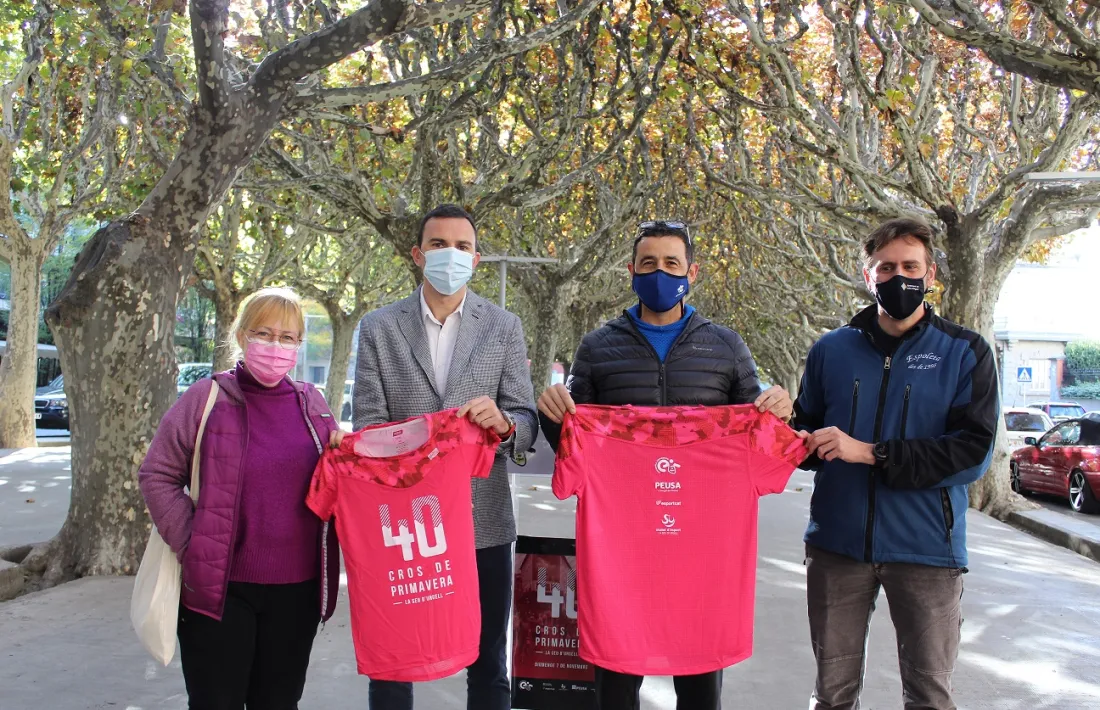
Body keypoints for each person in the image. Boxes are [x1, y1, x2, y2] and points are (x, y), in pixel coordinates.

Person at [537, 219, 796, 710]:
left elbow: (758, 426)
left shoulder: (725, 345)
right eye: (649, 263)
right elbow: (572, 438)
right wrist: (555, 415)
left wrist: (779, 408)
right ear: (632, 272)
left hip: (704, 552)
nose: (660, 273)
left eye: (671, 263)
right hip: (620, 550)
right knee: (615, 686)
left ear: (691, 272)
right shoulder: (597, 346)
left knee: (700, 688)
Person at [793, 217, 998, 710]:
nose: (898, 276)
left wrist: (870, 452)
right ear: (868, 276)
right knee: (833, 696)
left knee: (929, 695)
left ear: (930, 275)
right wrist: (780, 425)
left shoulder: (965, 352)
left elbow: (972, 453)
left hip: (927, 551)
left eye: (910, 266)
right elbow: (806, 437)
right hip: (837, 547)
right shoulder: (830, 350)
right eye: (886, 267)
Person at [351, 203, 538, 710]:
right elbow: (367, 425)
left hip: (484, 522)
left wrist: (505, 426)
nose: (449, 254)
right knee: (395, 660)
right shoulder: (378, 327)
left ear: (476, 259)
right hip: (404, 528)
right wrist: (420, 446)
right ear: (417, 254)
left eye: (461, 246)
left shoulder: (503, 327)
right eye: (438, 244)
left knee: (488, 660)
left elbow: (525, 416)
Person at [138, 287, 343, 710]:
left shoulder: (313, 405)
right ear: (241, 335)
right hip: (221, 590)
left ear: (299, 345)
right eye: (264, 333)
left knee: (278, 703)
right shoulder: (206, 398)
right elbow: (157, 473)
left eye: (288, 337)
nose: (276, 345)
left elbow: (337, 482)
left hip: (297, 593)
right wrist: (193, 544)